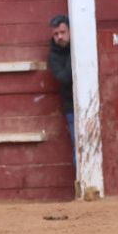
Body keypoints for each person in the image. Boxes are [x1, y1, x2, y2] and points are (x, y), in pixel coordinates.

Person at [48, 15, 74, 158]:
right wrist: (75, 53)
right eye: (56, 34)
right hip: (72, 108)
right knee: (79, 149)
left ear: (71, 32)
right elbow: (65, 78)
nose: (59, 37)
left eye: (63, 33)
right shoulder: (54, 55)